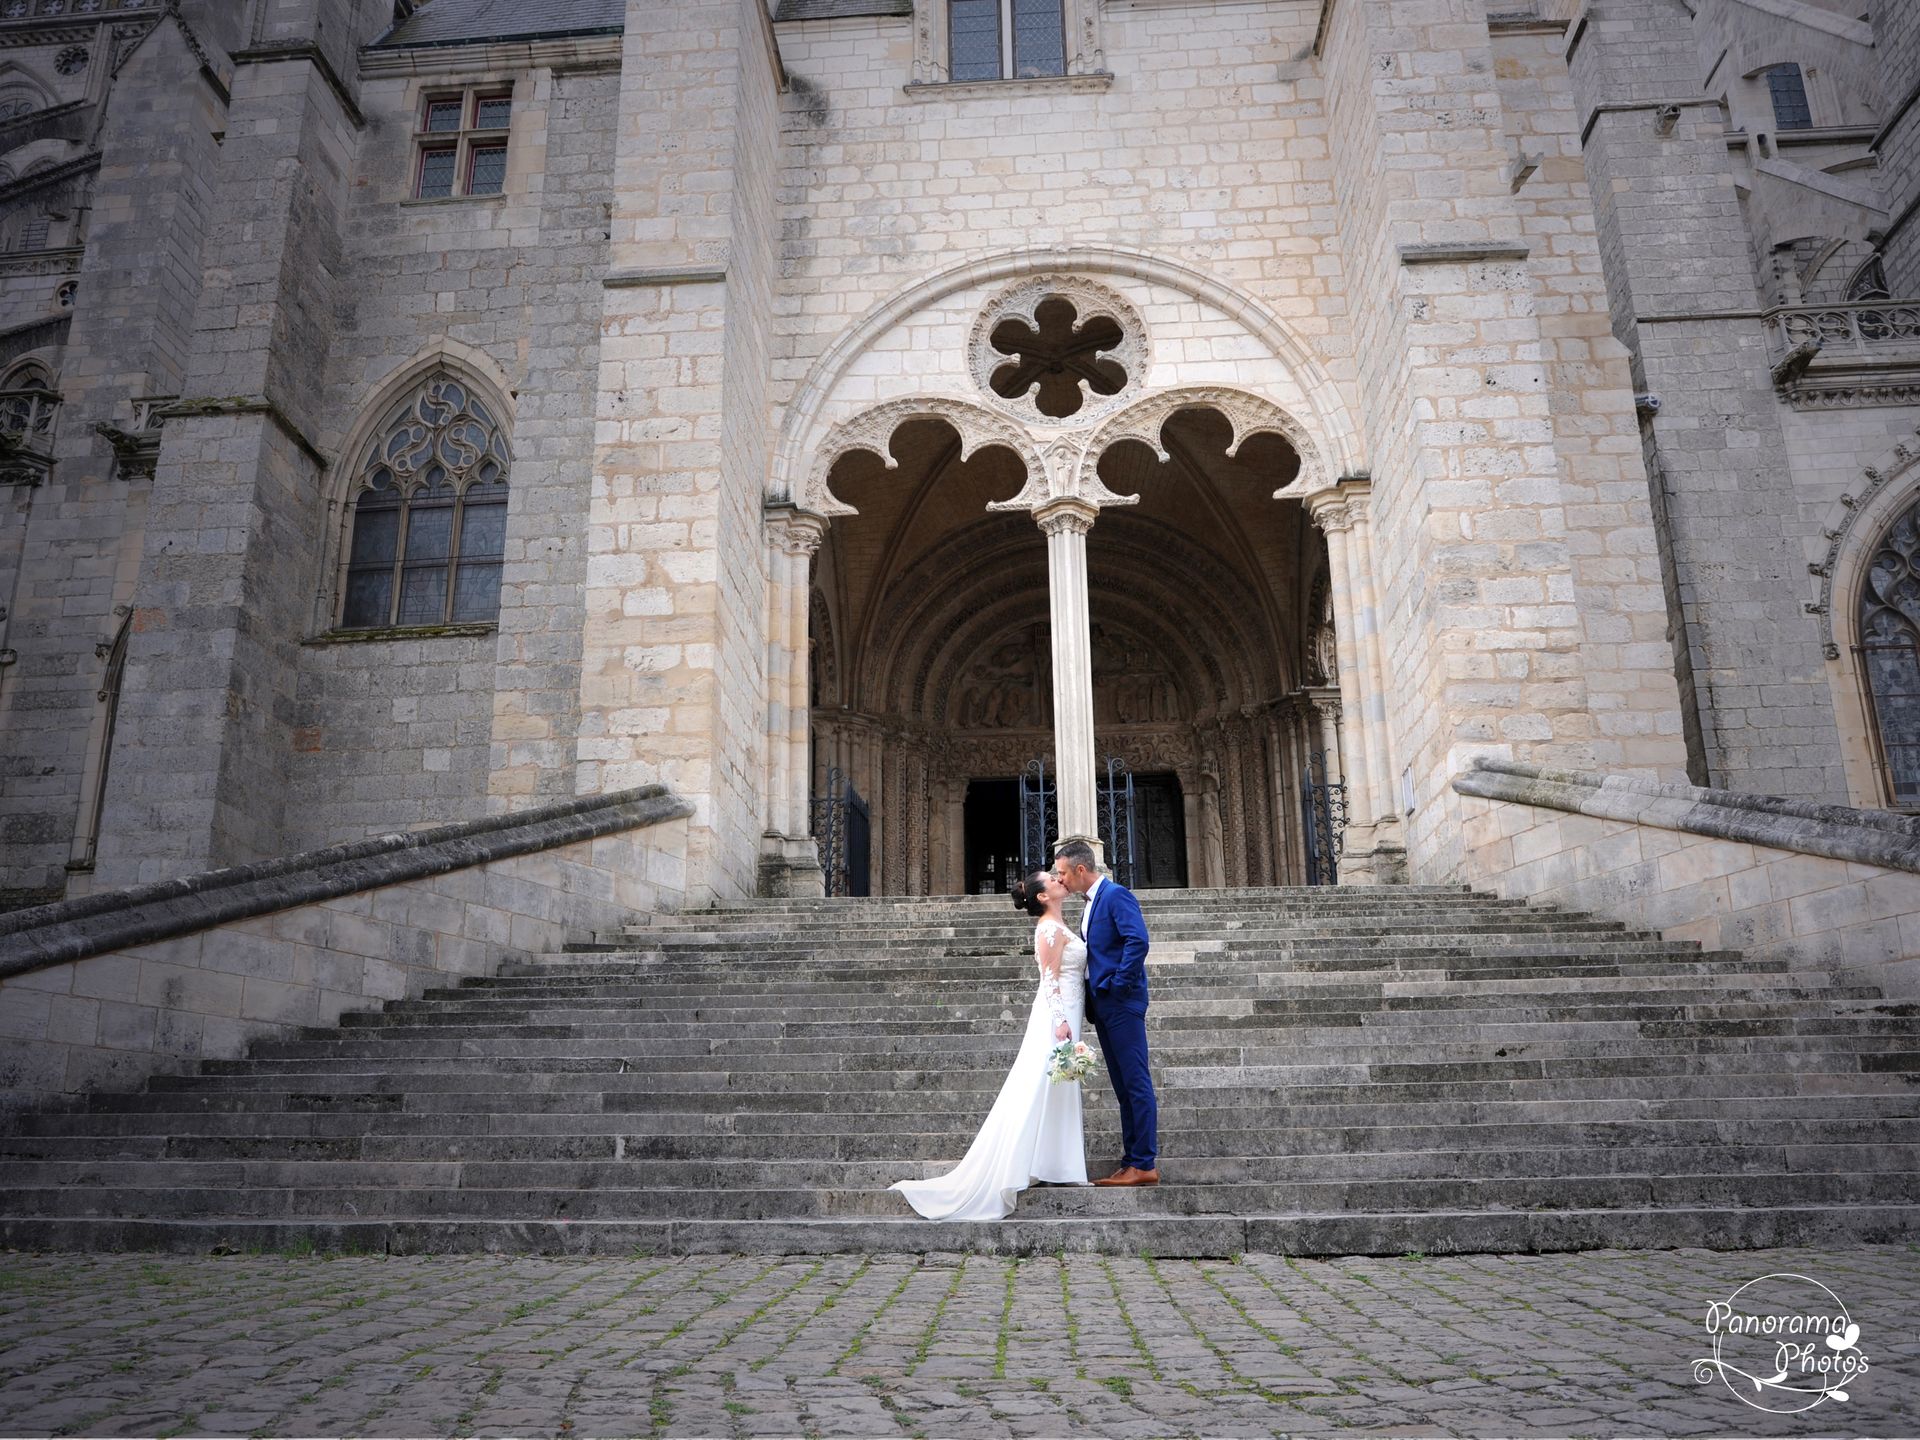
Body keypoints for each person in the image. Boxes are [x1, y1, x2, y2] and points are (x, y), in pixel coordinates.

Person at [890, 869, 1089, 1220]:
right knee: (1038, 1086)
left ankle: (1058, 1165)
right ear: (1043, 896)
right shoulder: (1048, 928)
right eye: (1053, 880)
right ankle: (1020, 1165)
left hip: (1071, 1011)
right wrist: (1060, 1021)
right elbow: (1049, 979)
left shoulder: (1061, 924)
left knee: (1057, 1087)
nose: (1060, 880)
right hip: (1057, 1016)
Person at [1052, 839, 1159, 1186]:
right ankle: (1132, 1161)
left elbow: (1137, 940)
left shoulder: (1115, 895)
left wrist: (1117, 984)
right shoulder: (1091, 903)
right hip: (1105, 1006)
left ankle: (1144, 1163)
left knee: (1135, 1083)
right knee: (1124, 1086)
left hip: (1120, 1003)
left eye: (1064, 873)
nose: (1061, 880)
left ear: (1081, 869)